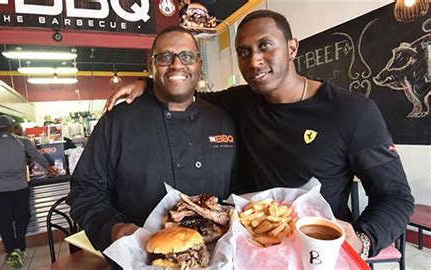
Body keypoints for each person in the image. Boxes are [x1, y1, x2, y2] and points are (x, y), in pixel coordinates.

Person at [104, 10, 414, 259]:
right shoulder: (239, 101)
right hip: (244, 255)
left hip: (314, 256)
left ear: (292, 48)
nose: (253, 61)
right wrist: (146, 82)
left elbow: (396, 196)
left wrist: (363, 238)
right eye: (243, 52)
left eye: (265, 46)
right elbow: (184, 89)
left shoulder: (353, 112)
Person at [66, 26, 236, 266]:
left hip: (220, 260)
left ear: (198, 64)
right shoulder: (118, 121)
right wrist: (112, 229)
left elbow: (239, 192)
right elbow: (85, 189)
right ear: (151, 65)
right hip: (142, 260)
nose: (177, 65)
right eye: (165, 57)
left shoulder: (223, 120)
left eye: (187, 56)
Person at [0, 115, 59, 268]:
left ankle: (11, 250)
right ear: (11, 127)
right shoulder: (23, 142)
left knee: (4, 221)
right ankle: (20, 247)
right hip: (19, 188)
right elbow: (37, 156)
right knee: (22, 217)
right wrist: (50, 169)